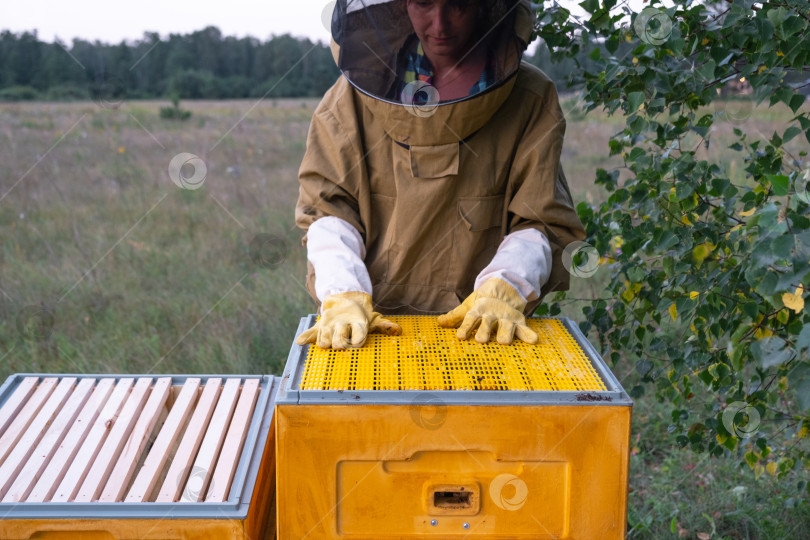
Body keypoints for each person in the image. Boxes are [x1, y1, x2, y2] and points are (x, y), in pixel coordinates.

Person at [295, 0, 585, 349]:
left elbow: (540, 219)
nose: (440, 24)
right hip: (371, 334)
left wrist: (507, 284)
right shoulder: (348, 99)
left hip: (486, 334)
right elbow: (328, 212)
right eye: (423, 3)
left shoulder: (531, 98)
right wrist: (343, 293)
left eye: (458, 4)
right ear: (402, 5)